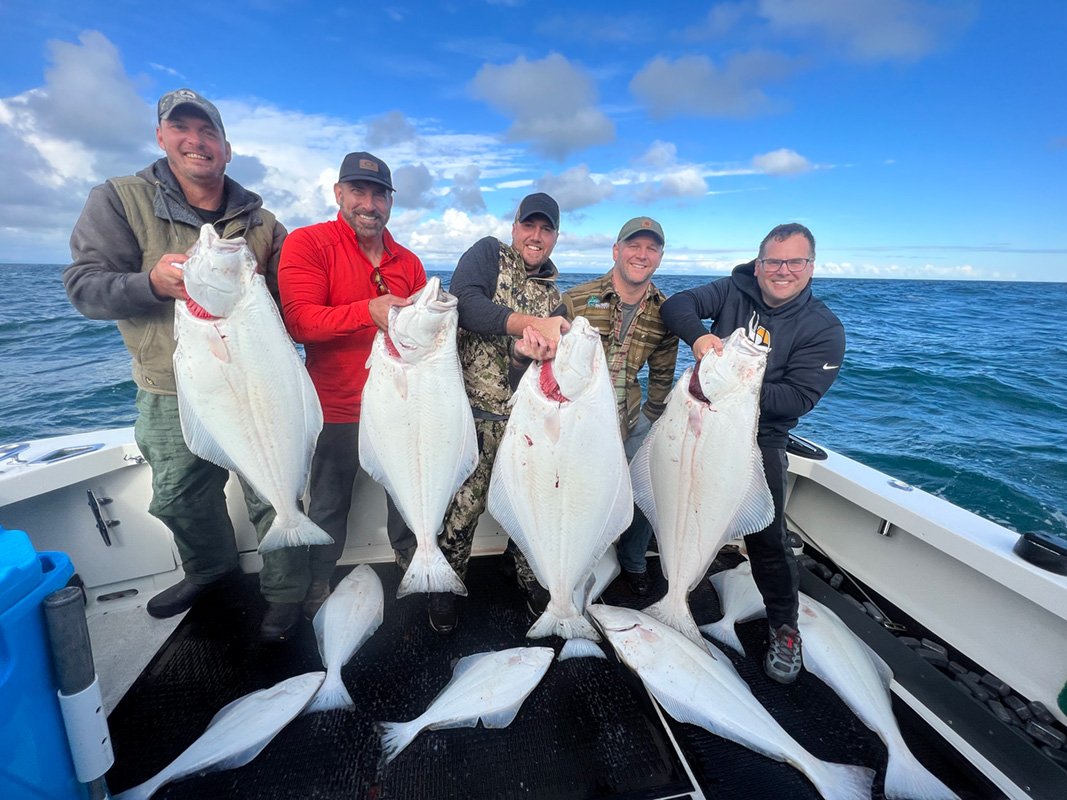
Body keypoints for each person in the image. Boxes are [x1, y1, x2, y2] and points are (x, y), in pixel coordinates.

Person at [63, 89, 303, 641]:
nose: (196, 142)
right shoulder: (119, 200)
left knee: (274, 491)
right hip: (170, 387)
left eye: (208, 132)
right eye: (182, 130)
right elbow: (84, 287)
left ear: (225, 146)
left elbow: (292, 299)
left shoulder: (262, 221)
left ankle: (286, 593)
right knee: (178, 496)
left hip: (258, 381)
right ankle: (209, 571)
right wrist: (150, 283)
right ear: (162, 137)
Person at [660, 222, 844, 684]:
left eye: (795, 262)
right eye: (773, 261)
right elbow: (678, 305)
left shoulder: (823, 328)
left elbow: (799, 398)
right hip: (703, 419)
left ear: (810, 267)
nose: (783, 271)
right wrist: (700, 340)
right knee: (670, 498)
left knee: (768, 533)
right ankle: (667, 589)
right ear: (758, 264)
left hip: (759, 437)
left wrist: (739, 383)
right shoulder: (732, 289)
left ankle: (785, 626)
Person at [275, 151, 423, 620]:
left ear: (390, 202)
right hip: (334, 407)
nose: (369, 203)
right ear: (338, 194)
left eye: (379, 194)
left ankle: (414, 573)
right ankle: (318, 579)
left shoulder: (410, 262)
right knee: (328, 504)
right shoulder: (308, 243)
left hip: (398, 409)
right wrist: (369, 310)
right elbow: (298, 321)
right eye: (358, 191)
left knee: (407, 501)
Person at [433, 192, 569, 634]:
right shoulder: (488, 254)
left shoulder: (557, 300)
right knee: (462, 510)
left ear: (554, 237)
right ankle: (447, 586)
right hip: (472, 417)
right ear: (514, 229)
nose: (536, 236)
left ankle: (529, 577)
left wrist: (522, 355)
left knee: (534, 507)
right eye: (529, 226)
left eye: (546, 229)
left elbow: (545, 373)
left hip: (526, 425)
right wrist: (526, 326)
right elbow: (465, 306)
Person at [557, 217, 678, 596]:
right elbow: (549, 364)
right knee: (565, 491)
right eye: (633, 245)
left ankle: (634, 561)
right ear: (616, 250)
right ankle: (547, 563)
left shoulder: (666, 311)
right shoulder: (576, 299)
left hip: (630, 417)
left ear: (659, 256)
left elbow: (662, 375)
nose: (642, 254)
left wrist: (650, 419)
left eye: (651, 248)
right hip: (577, 421)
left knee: (644, 487)